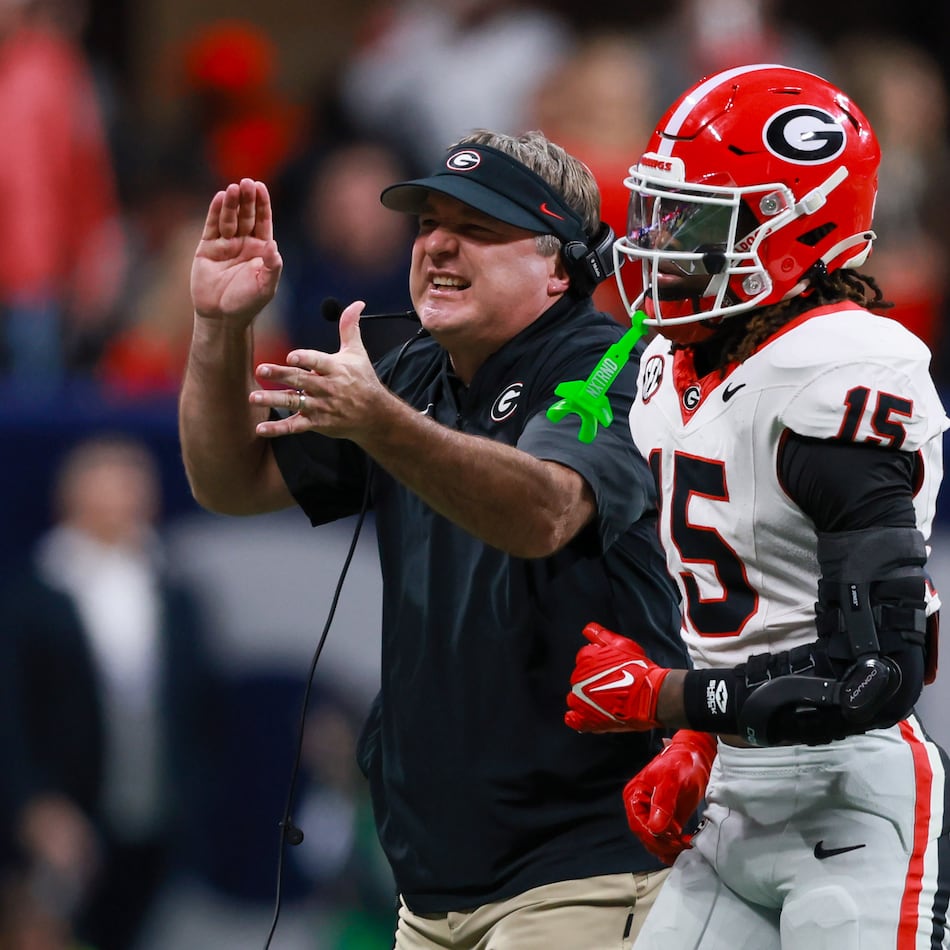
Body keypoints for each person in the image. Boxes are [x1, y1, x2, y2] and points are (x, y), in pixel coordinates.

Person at [179, 128, 688, 948]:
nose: (439, 245)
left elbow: (545, 512)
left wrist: (383, 424)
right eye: (427, 224)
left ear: (561, 265)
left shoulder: (619, 361)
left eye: (478, 227)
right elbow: (228, 483)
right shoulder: (409, 367)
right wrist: (218, 325)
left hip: (586, 865)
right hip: (433, 879)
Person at [562, 64, 950, 947]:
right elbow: (741, 622)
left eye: (692, 222)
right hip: (735, 799)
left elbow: (874, 672)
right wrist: (697, 741)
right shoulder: (670, 369)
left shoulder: (837, 367)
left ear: (794, 229)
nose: (658, 242)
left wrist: (670, 702)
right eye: (658, 211)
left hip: (853, 804)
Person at [0, 434, 219, 950]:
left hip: (155, 818)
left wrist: (192, 792)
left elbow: (202, 706)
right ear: (73, 493)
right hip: (62, 820)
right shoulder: (32, 596)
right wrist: (34, 803)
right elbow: (10, 710)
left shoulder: (174, 591)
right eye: (114, 478)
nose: (132, 493)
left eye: (138, 479)